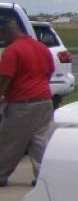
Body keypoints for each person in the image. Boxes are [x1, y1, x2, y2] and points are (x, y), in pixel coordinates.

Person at [0, 16, 55, 186]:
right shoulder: (41, 48)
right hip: (44, 101)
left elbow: (5, 78)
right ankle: (44, 176)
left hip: (22, 104)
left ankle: (1, 174)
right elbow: (49, 72)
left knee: (10, 141)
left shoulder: (12, 50)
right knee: (39, 142)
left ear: (8, 32)